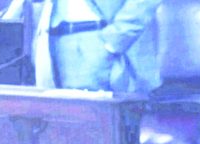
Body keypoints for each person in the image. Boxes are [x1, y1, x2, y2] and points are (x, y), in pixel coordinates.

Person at [34, 0, 162, 94]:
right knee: (59, 119)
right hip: (53, 41)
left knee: (103, 120)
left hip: (101, 40)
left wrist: (116, 39)